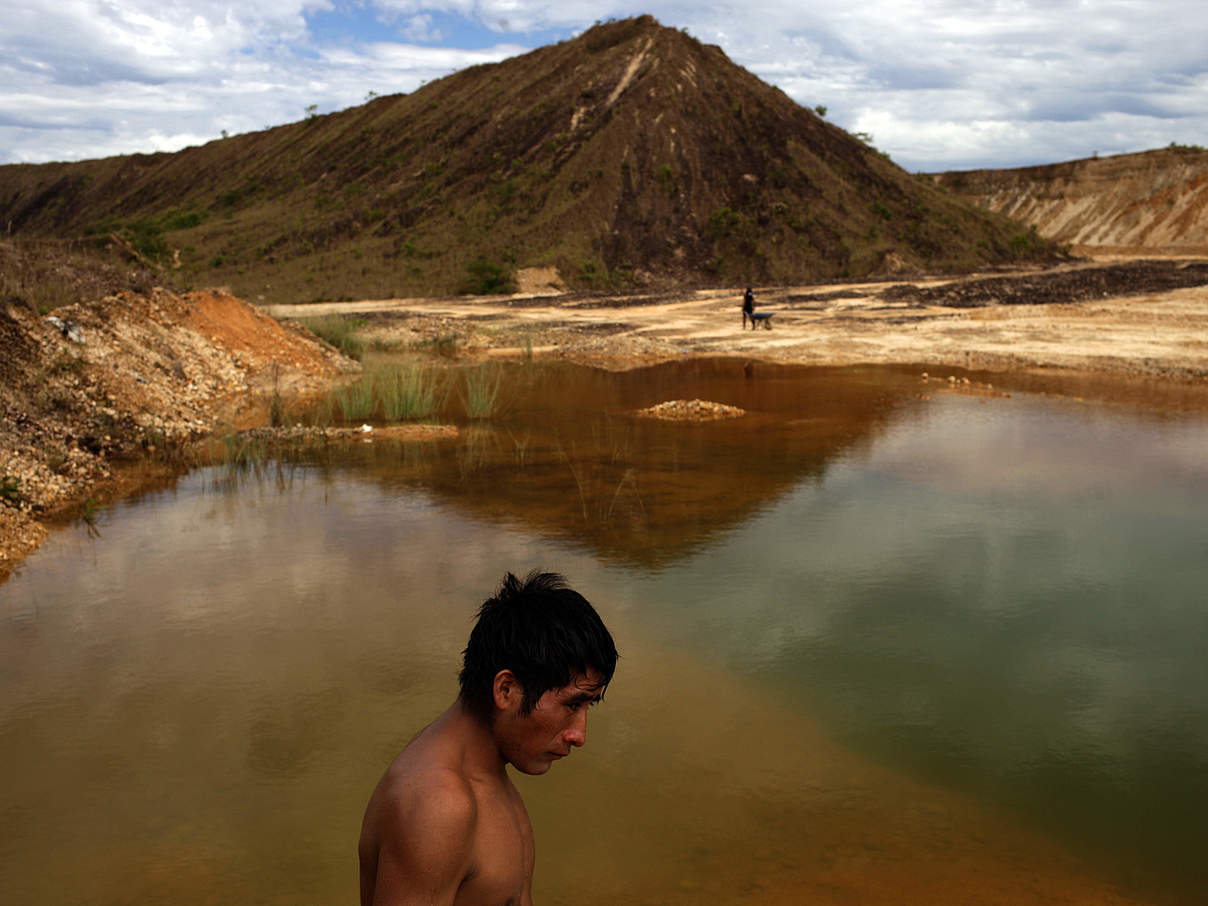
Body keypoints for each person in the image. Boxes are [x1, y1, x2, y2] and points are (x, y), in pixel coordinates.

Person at [358, 570, 619, 906]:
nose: (579, 735)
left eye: (587, 707)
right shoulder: (436, 806)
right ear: (506, 690)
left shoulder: (484, 773)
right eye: (572, 704)